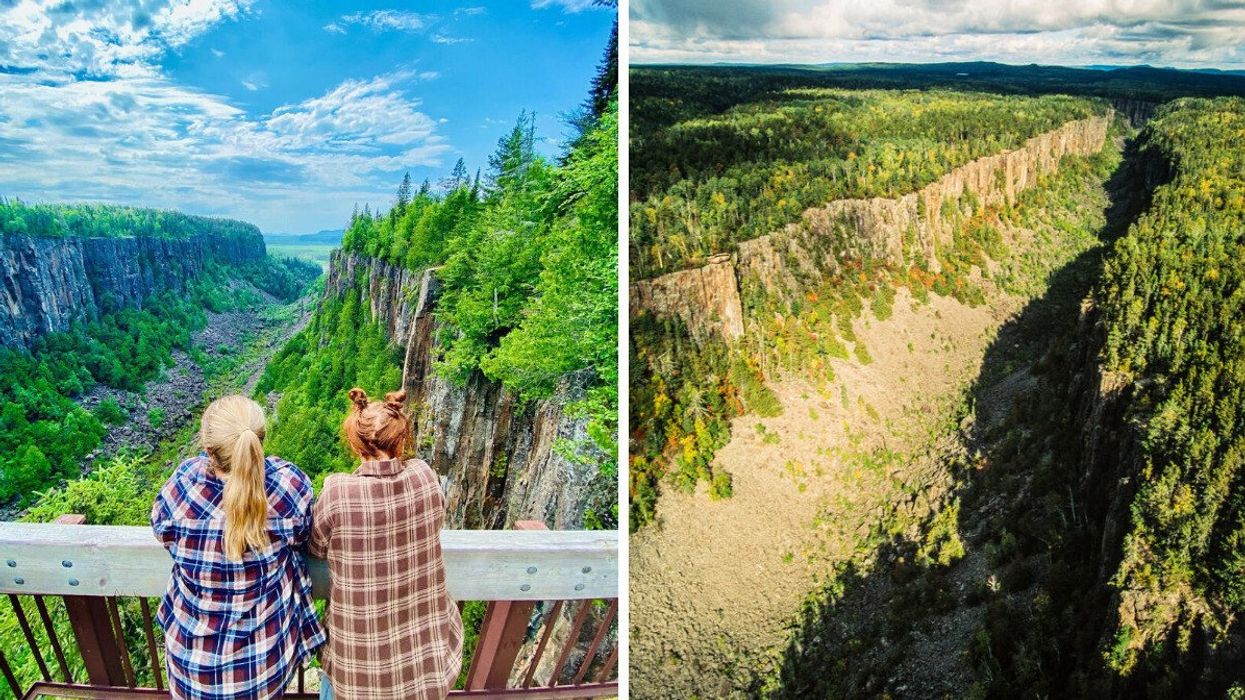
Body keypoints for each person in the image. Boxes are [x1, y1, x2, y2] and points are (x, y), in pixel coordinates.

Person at [151, 395, 324, 700]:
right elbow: (303, 534)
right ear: (260, 441)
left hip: (191, 670)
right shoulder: (288, 487)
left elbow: (161, 529)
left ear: (208, 451)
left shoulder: (185, 486)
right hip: (262, 668)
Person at [310, 388, 463, 700]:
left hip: (357, 662)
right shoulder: (424, 476)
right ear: (400, 438)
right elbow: (437, 515)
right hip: (423, 658)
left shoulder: (338, 492)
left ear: (357, 444)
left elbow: (316, 548)